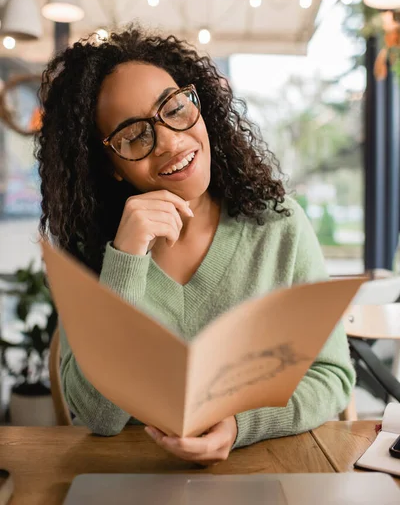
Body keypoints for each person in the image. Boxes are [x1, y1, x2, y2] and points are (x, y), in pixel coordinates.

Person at [36, 26, 355, 466]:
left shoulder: (277, 225)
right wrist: (125, 263)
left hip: (260, 473)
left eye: (174, 109)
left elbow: (332, 375)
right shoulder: (89, 249)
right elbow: (99, 416)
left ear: (197, 106)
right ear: (109, 166)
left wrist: (242, 423)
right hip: (129, 480)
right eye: (133, 136)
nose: (169, 141)